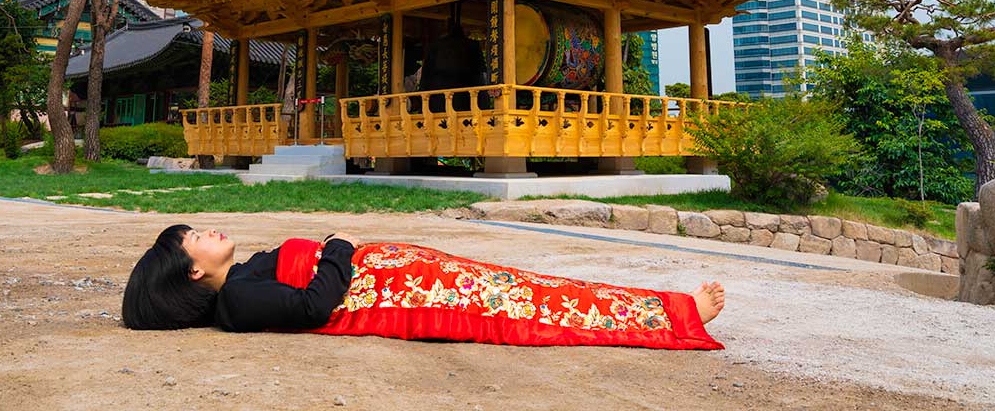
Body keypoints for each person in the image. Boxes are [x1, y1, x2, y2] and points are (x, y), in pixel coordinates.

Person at [123, 225, 726, 350]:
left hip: (403, 272)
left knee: (536, 287)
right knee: (537, 305)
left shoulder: (247, 276)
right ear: (193, 271)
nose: (205, 231)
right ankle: (675, 316)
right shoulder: (238, 300)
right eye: (192, 239)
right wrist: (337, 247)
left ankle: (664, 308)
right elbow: (314, 305)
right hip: (410, 293)